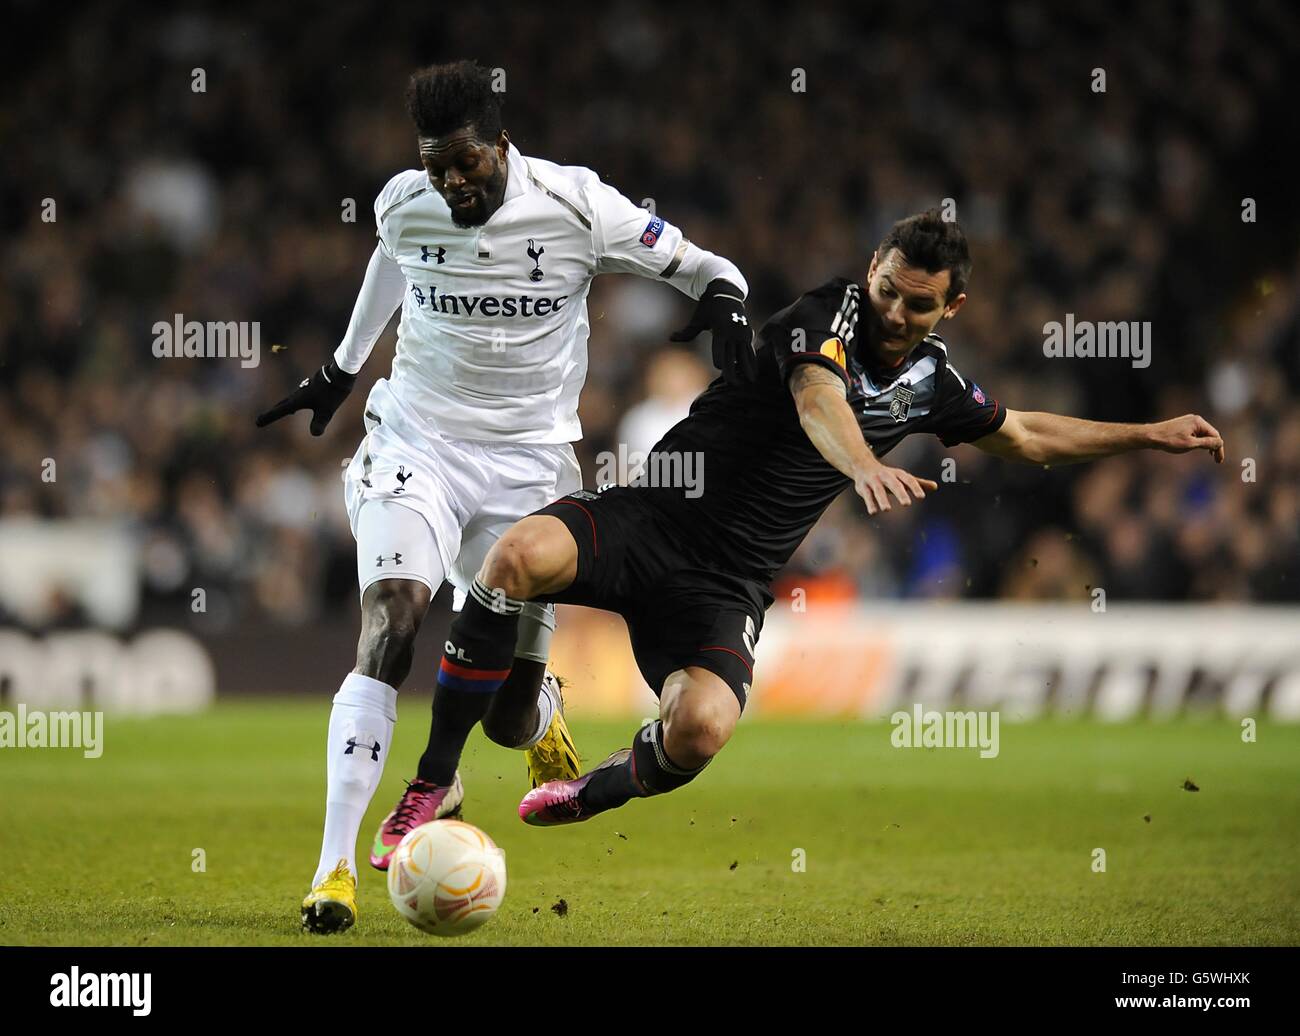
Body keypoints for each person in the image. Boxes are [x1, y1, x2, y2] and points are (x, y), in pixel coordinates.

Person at [417, 208, 1226, 829]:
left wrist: (1147, 436)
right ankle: (434, 781)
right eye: (887, 291)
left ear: (953, 306)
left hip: (725, 584)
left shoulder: (932, 382)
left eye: (918, 305)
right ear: (871, 270)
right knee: (517, 555)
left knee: (700, 728)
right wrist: (865, 464)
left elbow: (1024, 434)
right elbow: (817, 397)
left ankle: (591, 792)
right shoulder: (821, 315)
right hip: (649, 520)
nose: (895, 315)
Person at [256, 59, 756, 933]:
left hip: (531, 468)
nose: (450, 184)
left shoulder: (576, 206)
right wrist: (340, 370)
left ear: (502, 146)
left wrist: (726, 301)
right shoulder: (405, 200)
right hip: (417, 444)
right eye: (435, 165)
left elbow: (703, 263)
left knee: (511, 715)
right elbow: (392, 259)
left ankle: (537, 699)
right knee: (393, 619)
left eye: (466, 164)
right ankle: (333, 869)